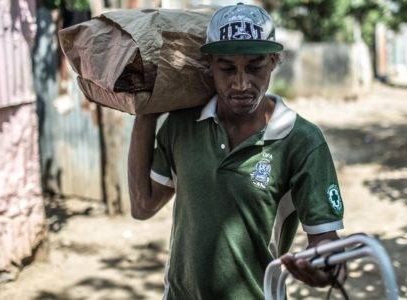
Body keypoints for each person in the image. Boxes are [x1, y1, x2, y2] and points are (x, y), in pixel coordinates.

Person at [128, 3, 346, 299]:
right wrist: (146, 110)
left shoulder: (302, 141)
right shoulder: (183, 124)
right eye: (227, 68)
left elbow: (327, 245)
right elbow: (143, 206)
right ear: (210, 65)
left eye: (254, 67)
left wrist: (325, 270)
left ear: (274, 60)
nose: (241, 83)